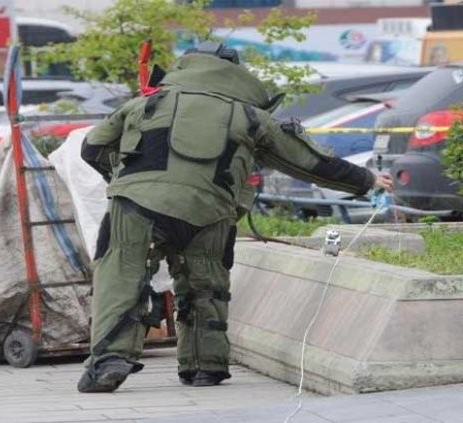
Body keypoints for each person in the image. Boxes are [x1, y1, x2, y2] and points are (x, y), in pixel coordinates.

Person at [77, 41, 394, 393]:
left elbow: (91, 148)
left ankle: (109, 361)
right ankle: (205, 366)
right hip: (210, 209)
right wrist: (367, 180)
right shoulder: (250, 116)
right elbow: (308, 161)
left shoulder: (145, 104)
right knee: (206, 283)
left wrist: (124, 179)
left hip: (136, 205)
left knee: (121, 272)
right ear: (235, 72)